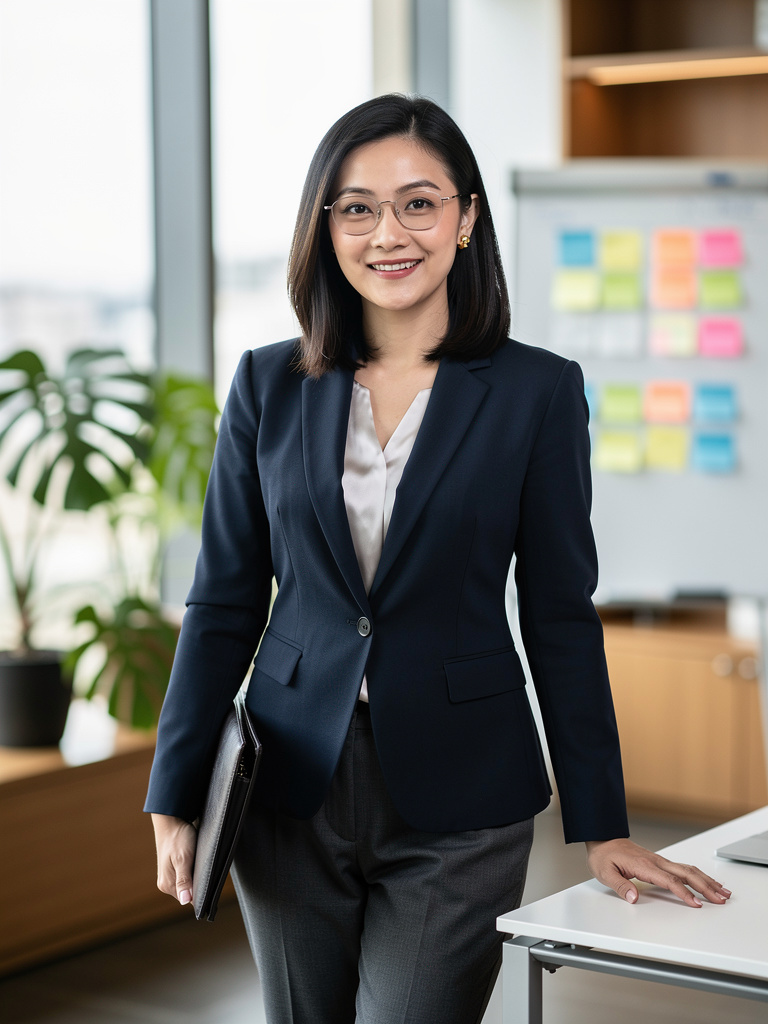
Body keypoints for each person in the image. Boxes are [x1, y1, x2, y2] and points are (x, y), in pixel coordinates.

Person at [146, 95, 730, 1024]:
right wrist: (175, 790)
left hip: (462, 798)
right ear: (325, 226)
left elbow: (558, 612)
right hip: (288, 785)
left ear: (465, 218)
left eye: (418, 203)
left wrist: (600, 822)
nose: (389, 232)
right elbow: (222, 599)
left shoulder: (536, 392)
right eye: (356, 207)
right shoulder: (267, 383)